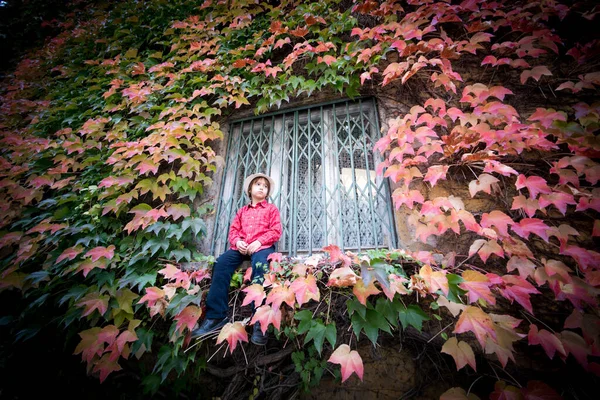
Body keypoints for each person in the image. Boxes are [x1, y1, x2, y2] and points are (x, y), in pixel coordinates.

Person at [191, 173, 282, 345]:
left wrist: (260, 241)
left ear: (268, 192)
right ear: (249, 189)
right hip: (241, 247)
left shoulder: (271, 209)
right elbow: (233, 231)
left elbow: (276, 231)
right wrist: (238, 241)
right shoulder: (242, 212)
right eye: (258, 184)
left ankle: (259, 320)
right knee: (221, 263)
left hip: (262, 247)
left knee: (260, 265)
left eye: (265, 185)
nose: (262, 187)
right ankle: (216, 317)